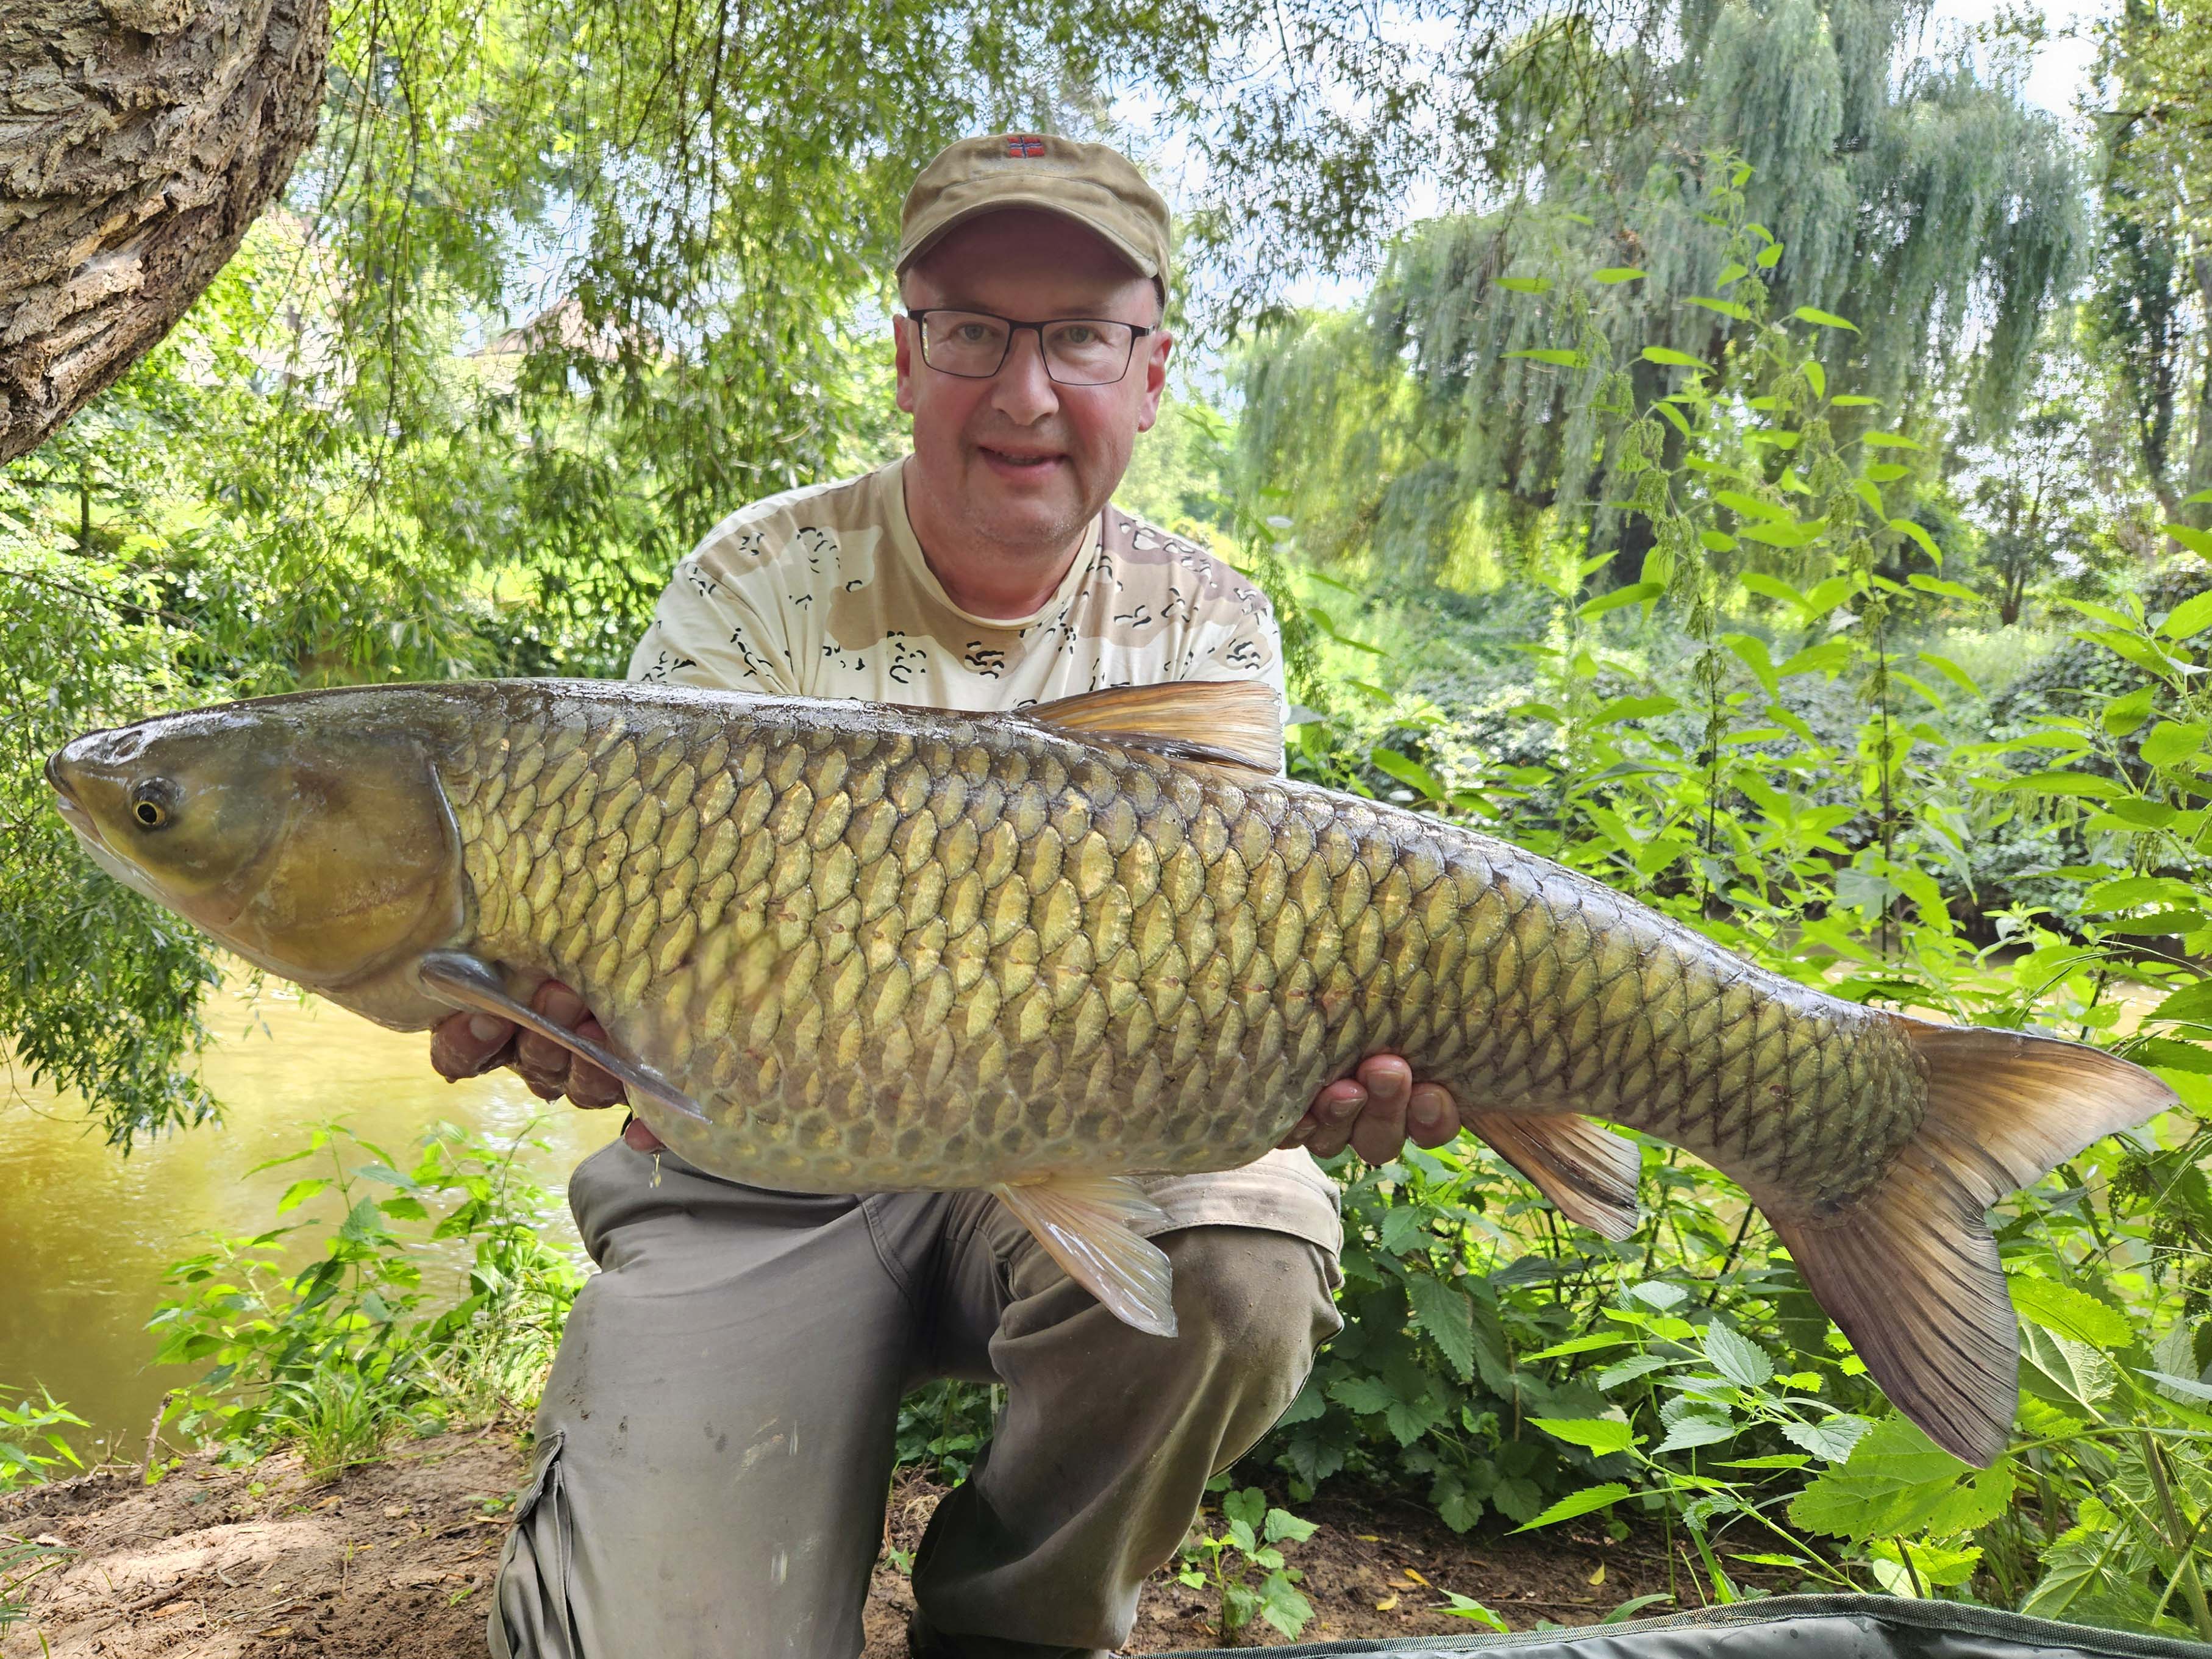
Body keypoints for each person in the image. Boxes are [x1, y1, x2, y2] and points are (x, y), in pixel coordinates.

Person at [430, 132, 1471, 1659]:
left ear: (1154, 369)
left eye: (1079, 337)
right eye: (974, 329)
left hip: (1071, 1151)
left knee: (1240, 1255)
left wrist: (1319, 1061)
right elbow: (602, 960)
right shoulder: (757, 583)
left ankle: (1009, 1631)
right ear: (905, 355)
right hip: (751, 1184)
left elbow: (1255, 988)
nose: (1025, 390)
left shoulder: (1204, 621)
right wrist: (555, 1010)